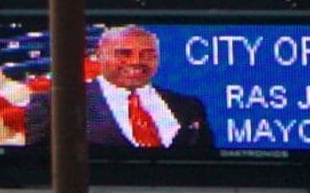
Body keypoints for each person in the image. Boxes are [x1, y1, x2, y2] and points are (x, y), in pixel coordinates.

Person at [82, 26, 216, 156]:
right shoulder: (74, 102)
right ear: (99, 55)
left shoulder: (189, 106)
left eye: (147, 55)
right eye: (124, 53)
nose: (136, 61)